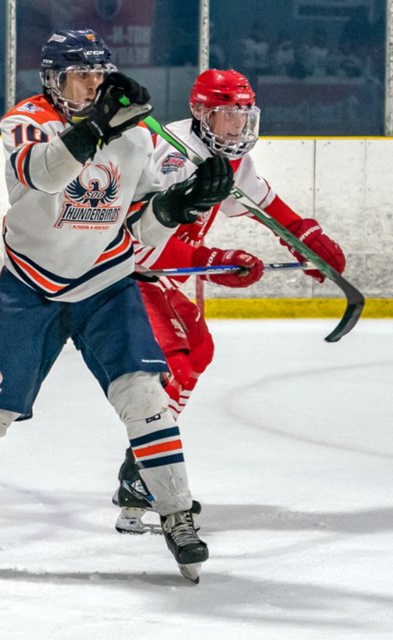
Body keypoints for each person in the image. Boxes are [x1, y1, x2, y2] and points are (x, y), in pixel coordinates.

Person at [0, 29, 235, 583]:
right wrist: (99, 128)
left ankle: (176, 515)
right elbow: (42, 175)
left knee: (145, 396)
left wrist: (180, 204)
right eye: (79, 75)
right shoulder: (26, 122)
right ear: (52, 81)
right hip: (30, 288)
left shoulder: (135, 139)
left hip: (108, 282)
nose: (91, 85)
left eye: (98, 75)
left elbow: (139, 226)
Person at [112, 68, 347, 534]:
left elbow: (269, 207)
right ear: (200, 113)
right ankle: (146, 475)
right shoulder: (166, 153)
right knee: (174, 360)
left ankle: (139, 473)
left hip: (156, 274)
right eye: (226, 117)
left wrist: (306, 239)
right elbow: (138, 240)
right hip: (121, 271)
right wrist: (215, 259)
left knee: (198, 348)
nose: (237, 127)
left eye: (244, 115)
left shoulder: (233, 160)